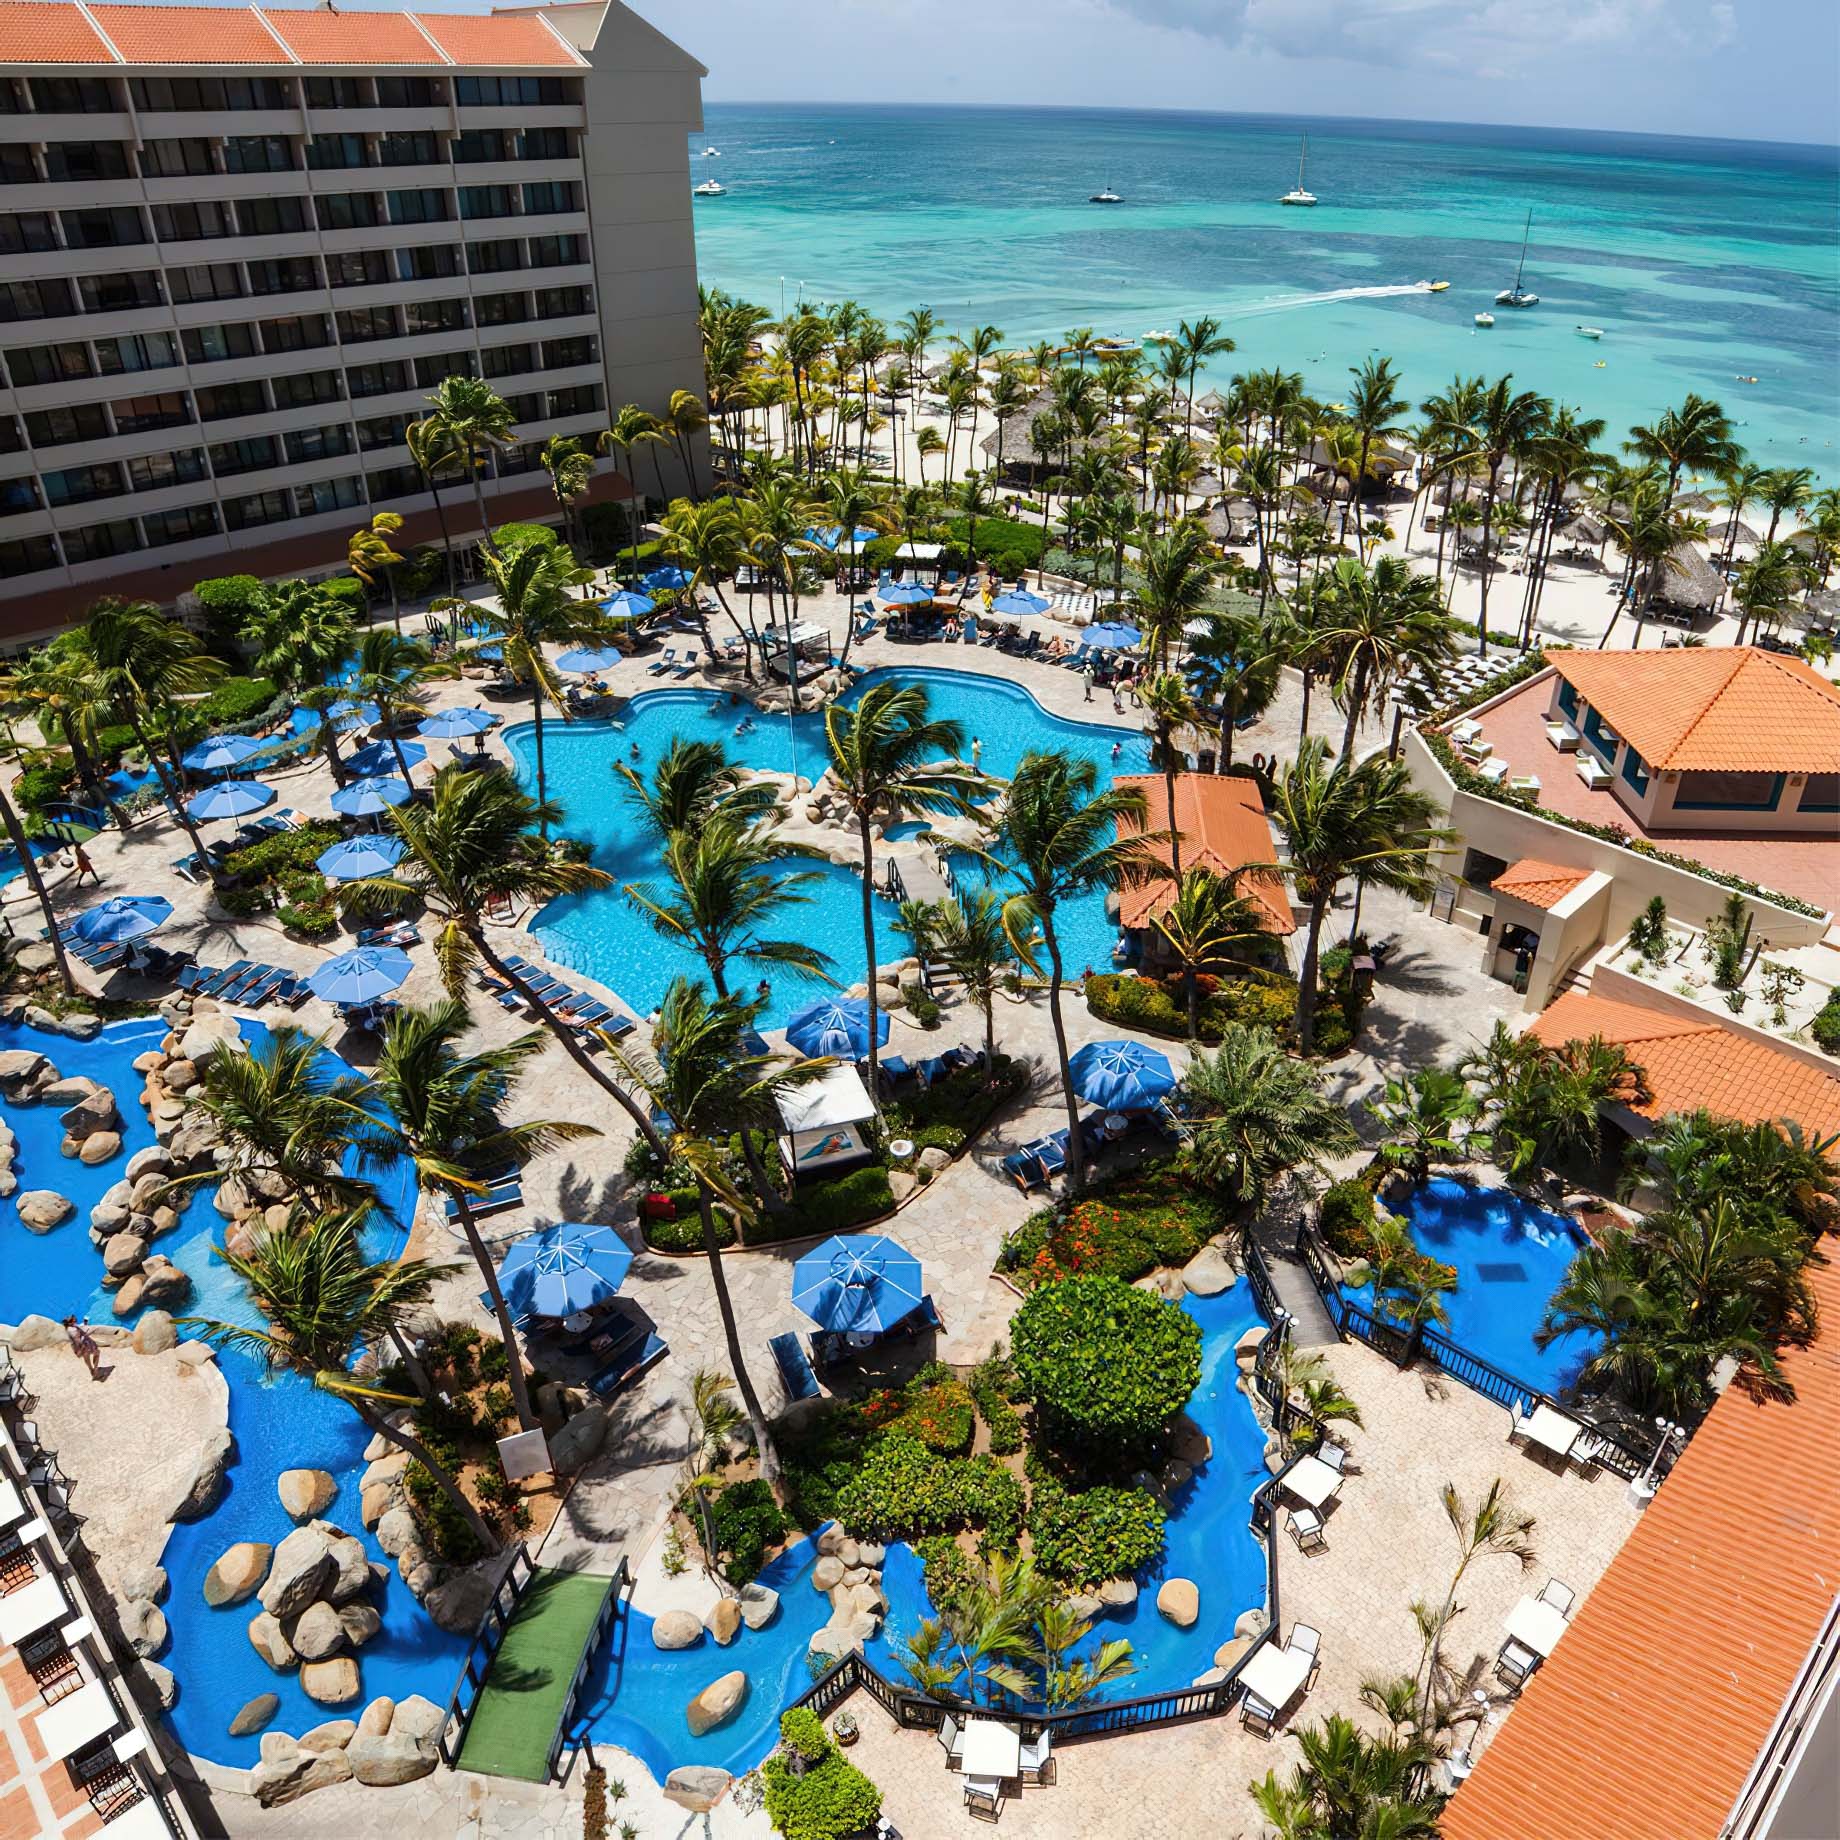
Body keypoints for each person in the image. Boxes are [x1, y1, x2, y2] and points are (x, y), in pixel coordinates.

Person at [63, 1315, 102, 1380]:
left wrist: (84, 1323)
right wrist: (85, 1337)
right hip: (84, 1345)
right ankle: (95, 1370)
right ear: (70, 1322)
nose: (76, 1320)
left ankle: (92, 1370)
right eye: (74, 1319)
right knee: (97, 1352)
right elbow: (78, 1340)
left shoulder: (71, 1327)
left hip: (80, 1347)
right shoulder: (72, 1330)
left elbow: (78, 1330)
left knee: (87, 1358)